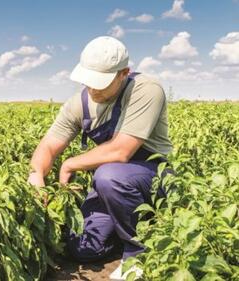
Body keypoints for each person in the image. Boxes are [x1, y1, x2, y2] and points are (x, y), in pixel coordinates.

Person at [27, 36, 173, 280]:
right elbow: (47, 147)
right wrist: (36, 175)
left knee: (109, 175)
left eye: (101, 83)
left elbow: (121, 151)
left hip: (153, 177)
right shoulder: (79, 104)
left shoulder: (146, 89)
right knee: (83, 248)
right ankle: (132, 227)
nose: (93, 89)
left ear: (123, 73)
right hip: (112, 186)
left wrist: (70, 163)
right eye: (89, 81)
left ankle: (138, 254)